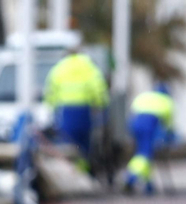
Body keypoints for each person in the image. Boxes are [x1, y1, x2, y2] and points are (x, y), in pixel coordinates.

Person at [43, 38, 109, 172]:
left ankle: (70, 170)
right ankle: (83, 170)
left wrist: (51, 107)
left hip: (66, 110)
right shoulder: (88, 65)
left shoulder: (60, 67)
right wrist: (101, 105)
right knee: (84, 143)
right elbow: (98, 87)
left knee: (67, 143)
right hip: (84, 110)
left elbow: (50, 90)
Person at [125, 83, 175, 194]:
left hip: (135, 124)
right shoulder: (166, 101)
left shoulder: (145, 96)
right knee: (145, 155)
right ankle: (131, 177)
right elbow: (169, 125)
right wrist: (168, 138)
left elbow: (132, 111)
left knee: (143, 152)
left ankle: (148, 185)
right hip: (149, 125)